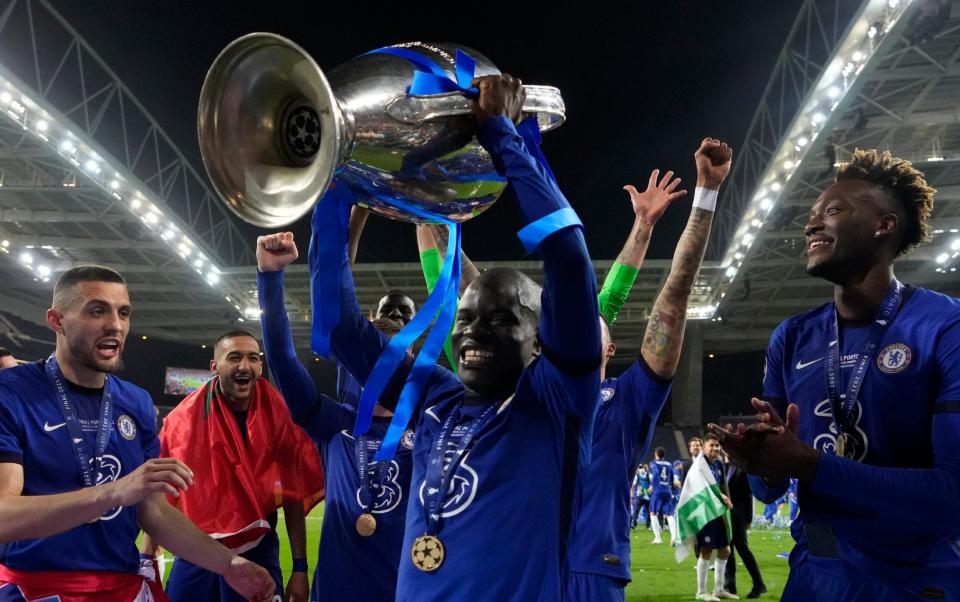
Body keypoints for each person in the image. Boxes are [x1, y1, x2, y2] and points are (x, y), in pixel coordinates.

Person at [315, 73, 600, 600]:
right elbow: (336, 323)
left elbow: (566, 254)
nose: (474, 332)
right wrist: (334, 192)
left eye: (501, 318)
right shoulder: (435, 395)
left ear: (540, 340)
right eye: (466, 318)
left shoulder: (556, 399)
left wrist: (503, 135)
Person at [710, 149, 959, 600]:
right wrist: (759, 465)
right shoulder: (793, 336)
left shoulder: (945, 328)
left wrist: (811, 464)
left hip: (914, 583)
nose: (811, 224)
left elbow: (953, 495)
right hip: (813, 579)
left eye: (833, 210)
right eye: (811, 215)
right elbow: (769, 493)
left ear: (885, 225)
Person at [0, 265, 275, 601]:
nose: (115, 325)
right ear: (57, 321)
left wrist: (228, 565)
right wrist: (115, 492)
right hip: (35, 591)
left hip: (120, 589)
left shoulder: (136, 402)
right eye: (97, 310)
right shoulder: (10, 393)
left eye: (124, 312)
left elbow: (153, 511)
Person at [257, 232, 416, 602]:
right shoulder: (333, 423)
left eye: (394, 360)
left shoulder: (428, 426)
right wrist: (270, 276)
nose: (381, 370)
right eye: (373, 360)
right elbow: (282, 359)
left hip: (405, 591)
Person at [144, 330, 324, 602]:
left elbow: (292, 494)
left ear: (260, 366)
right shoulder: (183, 420)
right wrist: (147, 557)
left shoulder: (279, 417)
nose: (245, 366)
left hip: (257, 549)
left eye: (253, 358)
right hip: (196, 548)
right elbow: (161, 489)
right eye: (234, 357)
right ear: (215, 367)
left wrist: (300, 568)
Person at [693, 433, 737, 601]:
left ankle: (718, 589)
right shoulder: (700, 464)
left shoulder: (719, 463)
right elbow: (704, 486)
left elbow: (723, 483)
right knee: (706, 549)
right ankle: (701, 591)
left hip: (718, 511)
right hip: (705, 512)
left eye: (717, 446)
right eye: (711, 445)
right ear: (704, 447)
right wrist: (722, 496)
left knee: (725, 550)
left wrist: (728, 500)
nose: (715, 448)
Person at [724, 461, 766, 598]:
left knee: (743, 549)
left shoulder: (742, 468)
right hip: (725, 515)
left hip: (738, 515)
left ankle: (759, 584)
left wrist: (748, 519)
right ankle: (730, 586)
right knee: (728, 550)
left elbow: (748, 495)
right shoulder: (724, 467)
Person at [649, 446, 680, 545]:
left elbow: (656, 474)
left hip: (658, 490)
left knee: (653, 513)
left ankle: (658, 538)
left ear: (656, 454)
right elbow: (671, 479)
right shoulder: (669, 464)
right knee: (669, 514)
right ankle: (674, 537)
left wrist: (652, 486)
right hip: (667, 490)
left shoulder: (653, 463)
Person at [630, 464, 651, 530]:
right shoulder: (645, 475)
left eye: (640, 467)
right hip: (644, 496)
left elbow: (633, 486)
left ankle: (637, 524)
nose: (640, 469)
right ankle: (637, 524)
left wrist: (632, 495)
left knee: (640, 511)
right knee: (640, 511)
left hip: (644, 496)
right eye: (639, 468)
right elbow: (633, 486)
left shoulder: (642, 476)